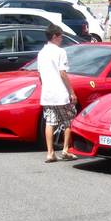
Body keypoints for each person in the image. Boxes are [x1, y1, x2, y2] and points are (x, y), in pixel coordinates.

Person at [37, 24, 78, 163]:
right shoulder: (60, 52)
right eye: (60, 36)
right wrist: (71, 92)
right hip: (60, 93)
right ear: (54, 36)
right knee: (69, 121)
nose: (61, 39)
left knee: (50, 122)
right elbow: (63, 73)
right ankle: (65, 150)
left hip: (47, 93)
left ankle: (50, 152)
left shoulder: (41, 52)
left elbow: (40, 75)